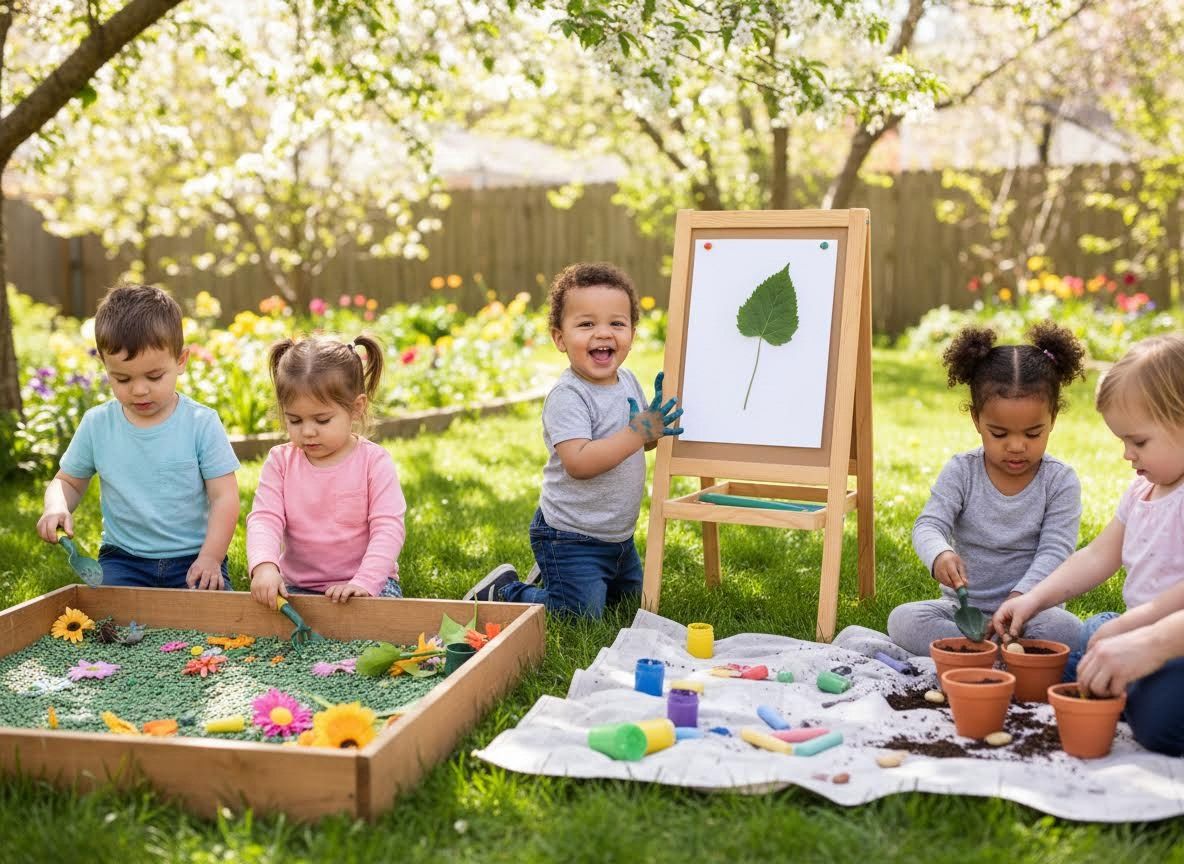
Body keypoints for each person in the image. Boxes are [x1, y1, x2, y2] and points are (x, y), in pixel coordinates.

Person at [995, 334, 1184, 753]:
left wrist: (1130, 629)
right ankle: (1123, 689)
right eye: (1122, 441)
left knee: (1160, 726)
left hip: (1171, 642)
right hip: (1135, 630)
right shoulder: (1143, 492)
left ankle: (1133, 697)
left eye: (1139, 442)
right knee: (1088, 641)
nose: (1127, 455)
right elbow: (1099, 555)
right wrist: (1033, 597)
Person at [464, 262, 682, 616]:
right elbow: (579, 463)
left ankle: (561, 578)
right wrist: (637, 433)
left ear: (632, 333)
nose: (603, 333)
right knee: (579, 614)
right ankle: (506, 591)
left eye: (616, 323)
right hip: (570, 535)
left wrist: (654, 430)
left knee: (632, 605)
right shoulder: (568, 396)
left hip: (618, 537)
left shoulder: (627, 380)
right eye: (586, 324)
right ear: (559, 338)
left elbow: (641, 442)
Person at [887, 322, 1087, 655]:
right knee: (903, 619)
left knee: (1068, 630)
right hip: (964, 612)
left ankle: (972, 651)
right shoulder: (962, 471)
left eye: (1033, 434)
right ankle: (992, 648)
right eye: (999, 433)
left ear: (1053, 418)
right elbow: (929, 525)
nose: (1017, 446)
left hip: (1031, 611)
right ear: (977, 420)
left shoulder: (1059, 481)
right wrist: (940, 553)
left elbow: (1055, 551)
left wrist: (1021, 598)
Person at [36, 284, 240, 589]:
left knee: (215, 622)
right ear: (105, 366)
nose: (139, 389)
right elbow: (67, 482)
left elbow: (225, 497)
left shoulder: (200, 423)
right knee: (107, 619)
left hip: (194, 558)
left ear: (181, 361)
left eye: (154, 376)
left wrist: (211, 558)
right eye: (122, 378)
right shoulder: (97, 424)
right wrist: (56, 506)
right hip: (124, 559)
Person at [246, 334, 406, 606]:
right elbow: (265, 518)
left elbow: (388, 528)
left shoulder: (373, 462)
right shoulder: (281, 462)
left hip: (368, 585)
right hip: (299, 587)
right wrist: (264, 566)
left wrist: (363, 582)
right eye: (294, 420)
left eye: (322, 420)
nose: (307, 431)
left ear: (356, 408)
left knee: (371, 641)